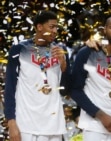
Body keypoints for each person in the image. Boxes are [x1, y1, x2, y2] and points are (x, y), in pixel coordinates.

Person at [4, 10, 71, 141]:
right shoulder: (19, 50)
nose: (55, 31)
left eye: (56, 27)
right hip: (26, 125)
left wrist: (64, 66)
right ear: (39, 27)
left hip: (54, 126)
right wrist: (11, 122)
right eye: (51, 27)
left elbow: (66, 90)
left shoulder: (60, 51)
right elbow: (10, 87)